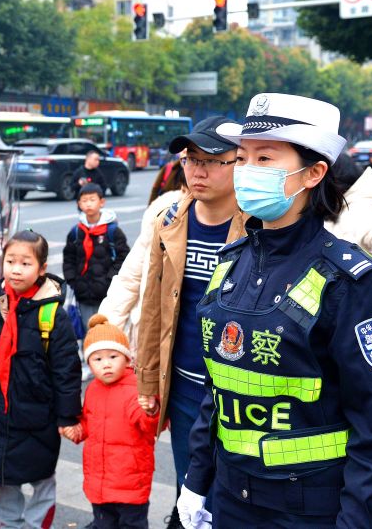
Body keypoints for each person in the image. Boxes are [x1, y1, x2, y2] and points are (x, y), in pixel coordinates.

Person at [176, 93, 372, 528]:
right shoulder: (230, 264)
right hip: (230, 498)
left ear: (314, 172)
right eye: (241, 158)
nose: (246, 171)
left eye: (265, 158)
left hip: (309, 507)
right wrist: (196, 480)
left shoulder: (352, 283)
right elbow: (218, 390)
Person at [134, 116, 246, 529]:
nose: (198, 170)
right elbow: (153, 309)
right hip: (184, 387)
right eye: (190, 159)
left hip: (240, 389)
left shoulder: (261, 225)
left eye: (213, 160)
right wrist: (147, 379)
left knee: (237, 493)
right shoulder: (171, 221)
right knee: (191, 487)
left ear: (241, 163)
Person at [0, 230, 82, 529]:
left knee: (41, 478)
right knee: (4, 478)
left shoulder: (52, 314)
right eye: (10, 260)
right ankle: (9, 524)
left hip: (39, 415)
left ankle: (37, 524)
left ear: (41, 268)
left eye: (25, 263)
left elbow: (67, 370)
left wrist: (67, 416)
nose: (15, 268)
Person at [61, 315, 159, 529]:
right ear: (88, 363)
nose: (106, 364)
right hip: (100, 481)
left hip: (131, 482)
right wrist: (77, 431)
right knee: (103, 523)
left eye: (113, 356)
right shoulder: (93, 389)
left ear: (127, 358)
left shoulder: (135, 388)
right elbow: (89, 424)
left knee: (132, 525)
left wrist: (150, 408)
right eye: (97, 359)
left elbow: (147, 425)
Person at [98, 162, 186, 355]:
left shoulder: (245, 222)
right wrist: (106, 337)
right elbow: (130, 278)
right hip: (149, 343)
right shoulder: (163, 212)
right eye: (190, 161)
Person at [62, 184, 129, 343]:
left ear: (102, 202)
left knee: (107, 329)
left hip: (107, 292)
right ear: (79, 204)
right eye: (84, 200)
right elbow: (69, 258)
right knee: (88, 330)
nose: (89, 204)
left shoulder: (112, 231)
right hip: (83, 293)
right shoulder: (76, 232)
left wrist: (110, 278)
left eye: (92, 199)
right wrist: (73, 280)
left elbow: (124, 257)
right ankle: (90, 361)